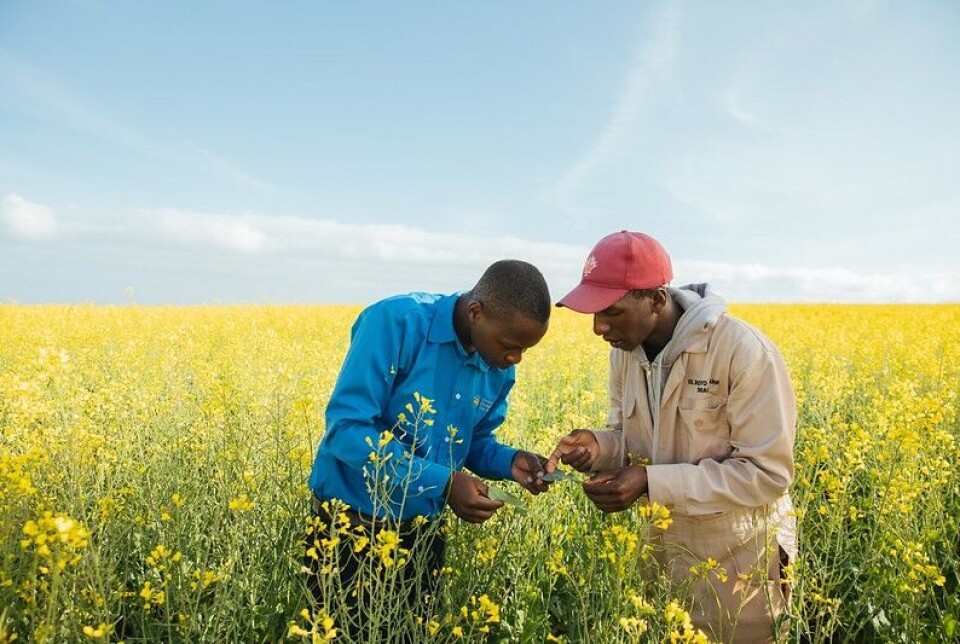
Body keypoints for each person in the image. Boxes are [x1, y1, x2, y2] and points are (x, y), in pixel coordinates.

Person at [546, 231, 796, 643]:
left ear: (657, 301)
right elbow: (633, 439)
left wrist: (649, 482)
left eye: (610, 311)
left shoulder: (744, 353)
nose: (597, 327)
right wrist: (598, 446)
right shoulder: (624, 353)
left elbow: (766, 474)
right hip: (666, 555)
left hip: (742, 562)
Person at [305, 259, 552, 640]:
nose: (515, 359)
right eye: (510, 345)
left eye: (524, 350)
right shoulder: (394, 323)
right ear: (476, 312)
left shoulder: (498, 367)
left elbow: (473, 443)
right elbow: (347, 430)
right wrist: (445, 484)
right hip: (347, 528)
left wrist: (511, 461)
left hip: (421, 535)